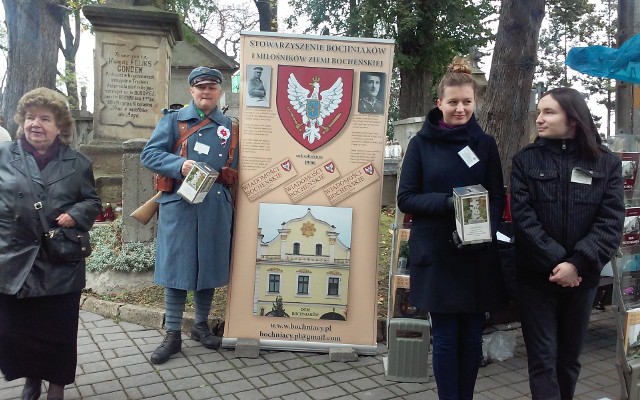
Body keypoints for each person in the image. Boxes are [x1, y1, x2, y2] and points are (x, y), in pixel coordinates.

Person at [397, 57, 506, 400]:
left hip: (474, 255)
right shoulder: (420, 145)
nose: (460, 109)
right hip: (437, 254)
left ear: (475, 102)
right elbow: (406, 198)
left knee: (472, 337)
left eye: (467, 102)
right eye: (453, 102)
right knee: (445, 338)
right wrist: (449, 203)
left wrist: (478, 228)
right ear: (439, 103)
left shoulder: (485, 145)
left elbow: (496, 196)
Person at [510, 87, 624, 400]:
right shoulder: (525, 161)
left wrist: (576, 264)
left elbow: (611, 221)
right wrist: (557, 261)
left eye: (549, 112)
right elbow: (524, 218)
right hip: (537, 278)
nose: (539, 119)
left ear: (572, 119)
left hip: (582, 279)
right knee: (542, 360)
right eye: (538, 113)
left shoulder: (606, 164)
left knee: (569, 360)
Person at [0, 87, 101, 400]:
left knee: (57, 333)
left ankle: (56, 386)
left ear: (60, 126)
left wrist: (76, 213)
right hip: (14, 259)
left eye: (45, 118)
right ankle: (32, 380)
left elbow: (92, 200)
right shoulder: (4, 156)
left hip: (59, 261)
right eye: (30, 117)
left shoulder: (78, 162)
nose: (36, 124)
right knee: (20, 333)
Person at [141, 66, 238, 365]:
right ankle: (172, 333)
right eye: (200, 87)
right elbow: (149, 155)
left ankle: (200, 325)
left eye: (211, 87)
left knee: (207, 265)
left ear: (219, 91)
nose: (206, 92)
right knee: (177, 266)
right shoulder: (172, 120)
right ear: (191, 91)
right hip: (179, 204)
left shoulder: (231, 127)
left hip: (215, 203)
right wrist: (178, 166)